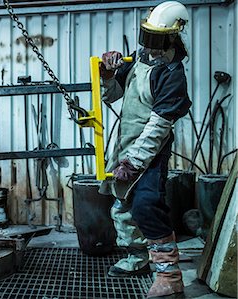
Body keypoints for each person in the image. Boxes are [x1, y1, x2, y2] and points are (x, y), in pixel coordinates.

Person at [98, 1, 192, 298]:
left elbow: (158, 127)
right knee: (123, 205)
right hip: (127, 144)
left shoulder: (172, 74)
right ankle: (138, 260)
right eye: (146, 37)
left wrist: (134, 161)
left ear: (174, 37)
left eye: (156, 40)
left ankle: (169, 277)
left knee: (146, 204)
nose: (149, 46)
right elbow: (113, 96)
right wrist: (108, 74)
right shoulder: (139, 60)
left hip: (151, 151)